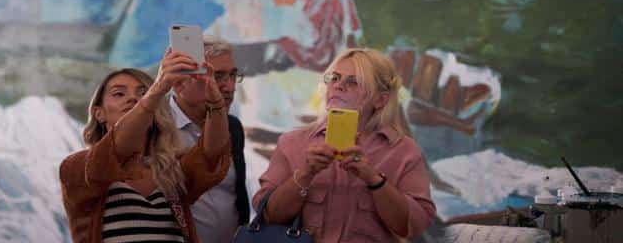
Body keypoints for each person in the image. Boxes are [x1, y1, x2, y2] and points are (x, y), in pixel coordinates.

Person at [253, 48, 436, 242]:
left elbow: (415, 226)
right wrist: (305, 174)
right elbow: (268, 216)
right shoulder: (292, 143)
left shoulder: (404, 150)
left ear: (380, 99)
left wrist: (374, 180)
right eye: (335, 78)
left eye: (353, 82)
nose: (338, 86)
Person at [59, 50, 231, 243]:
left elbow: (211, 155)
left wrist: (215, 102)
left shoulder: (172, 170)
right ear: (99, 113)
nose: (133, 99)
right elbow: (116, 148)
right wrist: (157, 89)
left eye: (142, 93)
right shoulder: (77, 167)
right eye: (119, 93)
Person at [169, 36, 249, 243]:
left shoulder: (233, 127)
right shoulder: (155, 127)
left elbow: (236, 197)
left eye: (233, 75)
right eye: (217, 76)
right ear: (179, 83)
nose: (229, 87)